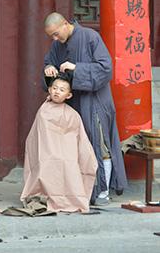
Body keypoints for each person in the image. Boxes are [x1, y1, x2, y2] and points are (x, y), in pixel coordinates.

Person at [43, 12, 127, 205]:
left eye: (56, 33)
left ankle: (102, 191)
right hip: (73, 103)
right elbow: (50, 66)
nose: (55, 39)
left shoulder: (90, 37)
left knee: (100, 144)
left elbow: (106, 69)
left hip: (95, 101)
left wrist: (76, 68)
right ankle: (83, 189)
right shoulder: (57, 45)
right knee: (77, 147)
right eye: (52, 36)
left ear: (65, 24)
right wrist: (49, 69)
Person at [21, 73, 98, 212]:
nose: (57, 91)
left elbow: (77, 138)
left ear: (68, 95)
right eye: (55, 88)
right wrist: (53, 152)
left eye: (62, 90)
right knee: (49, 162)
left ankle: (69, 198)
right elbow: (39, 137)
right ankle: (49, 196)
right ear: (49, 90)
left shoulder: (73, 114)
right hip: (47, 152)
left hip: (68, 152)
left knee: (71, 162)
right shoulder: (43, 111)